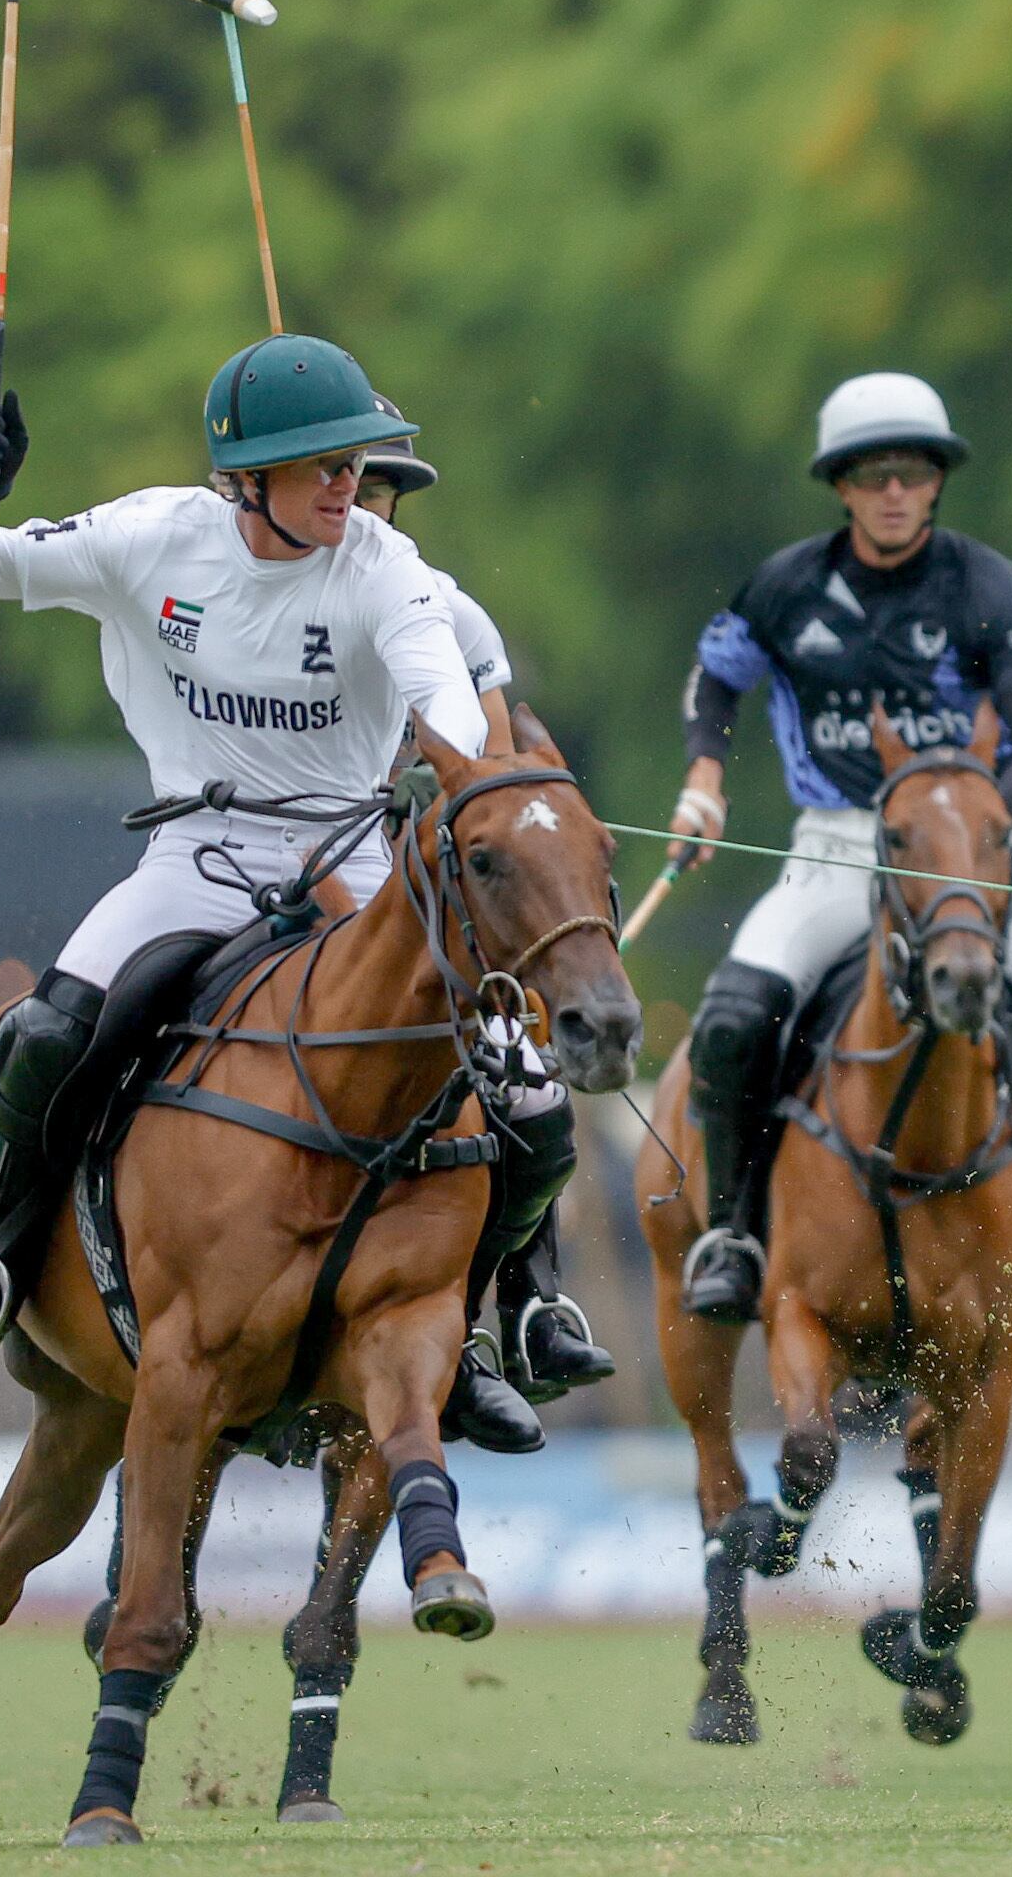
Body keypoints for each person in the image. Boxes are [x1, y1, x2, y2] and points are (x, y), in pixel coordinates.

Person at [0, 337, 547, 1446]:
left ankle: (494, 1320)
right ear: (247, 478)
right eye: (324, 464)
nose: (349, 482)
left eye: (354, 462)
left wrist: (454, 766)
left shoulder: (381, 563)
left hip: (350, 860)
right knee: (47, 1033)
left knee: (524, 1083)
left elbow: (450, 702)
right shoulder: (151, 539)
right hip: (196, 857)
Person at [661, 374, 1012, 1336]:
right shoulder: (788, 587)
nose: (896, 492)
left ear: (939, 480)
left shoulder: (989, 587)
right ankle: (734, 1236)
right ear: (842, 486)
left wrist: (971, 828)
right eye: (874, 476)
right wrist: (704, 776)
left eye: (913, 473)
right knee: (734, 1018)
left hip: (976, 854)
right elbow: (715, 678)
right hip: (836, 847)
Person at [357, 410, 618, 1431]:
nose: (359, 505)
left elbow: (497, 781)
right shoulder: (245, 591)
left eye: (377, 489)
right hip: (261, 860)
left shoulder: (450, 617)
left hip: (414, 884)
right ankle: (15, 1252)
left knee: (533, 1096)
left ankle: (520, 1305)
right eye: (344, 482)